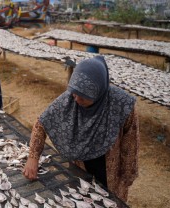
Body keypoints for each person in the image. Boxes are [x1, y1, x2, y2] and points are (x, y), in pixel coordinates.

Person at [22, 56, 139, 202]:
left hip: (110, 173)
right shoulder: (71, 97)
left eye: (83, 97)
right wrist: (33, 157)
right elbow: (41, 124)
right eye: (74, 93)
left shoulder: (122, 105)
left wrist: (127, 176)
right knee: (81, 200)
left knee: (108, 202)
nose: (76, 99)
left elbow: (130, 145)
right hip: (80, 168)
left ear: (97, 93)